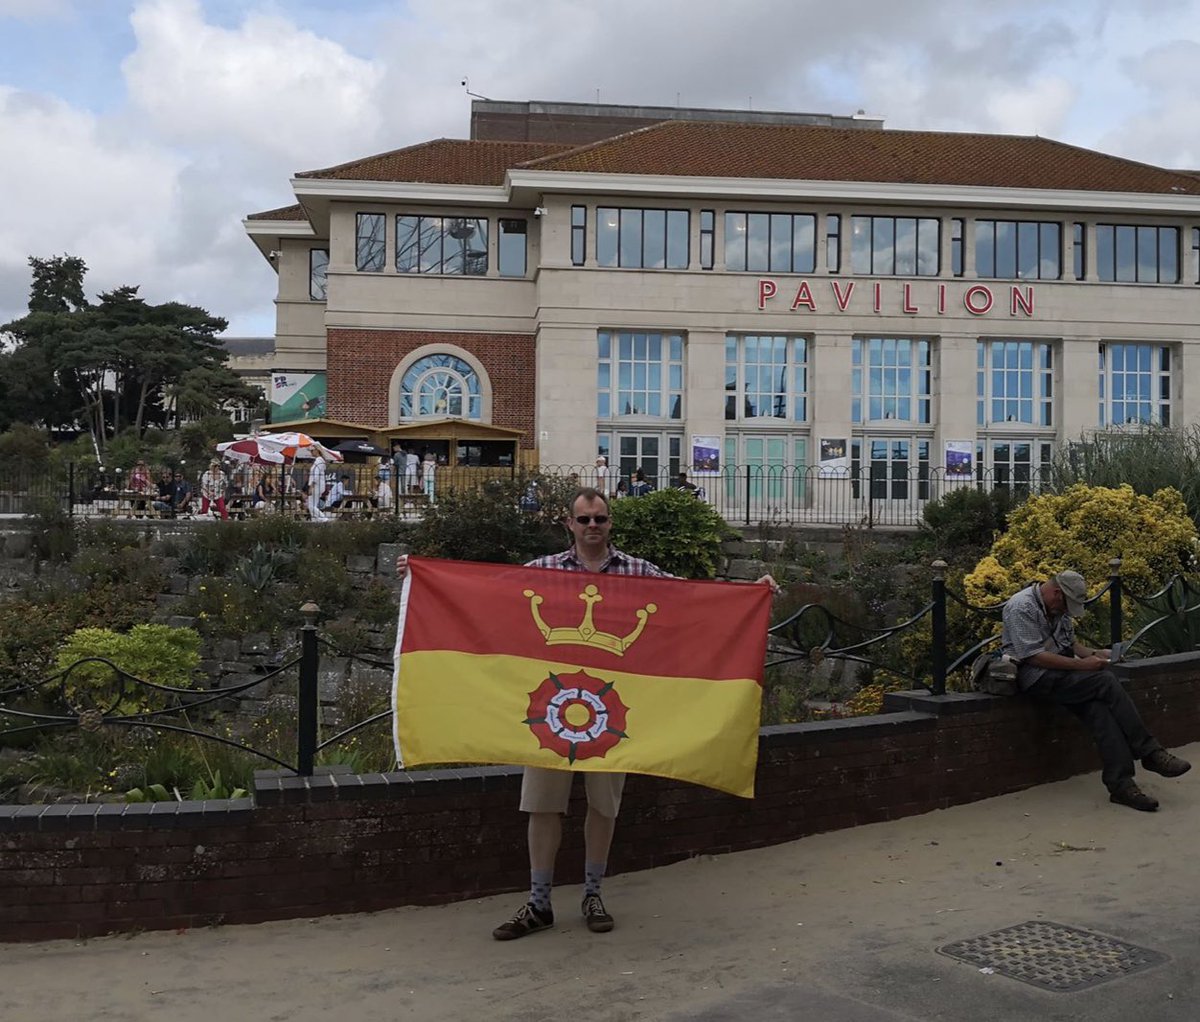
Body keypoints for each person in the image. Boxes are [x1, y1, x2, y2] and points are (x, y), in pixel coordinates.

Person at [397, 487, 778, 941]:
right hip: (547, 711)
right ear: (569, 525)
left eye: (600, 518)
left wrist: (750, 595)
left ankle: (592, 892)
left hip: (612, 713)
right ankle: (539, 902)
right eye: (584, 520)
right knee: (541, 806)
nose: (592, 526)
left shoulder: (641, 573)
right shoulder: (542, 571)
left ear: (610, 522)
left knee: (603, 806)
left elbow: (691, 601)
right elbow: (490, 599)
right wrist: (420, 576)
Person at [1000, 570, 1191, 812]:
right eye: (1068, 605)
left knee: (1099, 711)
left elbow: (1069, 645)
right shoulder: (1021, 606)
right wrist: (1082, 665)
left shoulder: (1057, 608)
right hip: (1034, 677)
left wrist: (1094, 654)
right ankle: (1149, 751)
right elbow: (1033, 656)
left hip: (1064, 676)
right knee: (1105, 681)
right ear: (1057, 594)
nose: (1068, 611)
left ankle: (1121, 786)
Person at [307, 455, 330, 521]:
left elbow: (315, 476)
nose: (311, 452)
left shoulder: (317, 463)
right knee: (314, 505)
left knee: (311, 506)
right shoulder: (321, 463)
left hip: (316, 486)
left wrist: (311, 487)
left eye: (312, 450)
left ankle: (324, 519)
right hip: (320, 486)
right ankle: (317, 520)